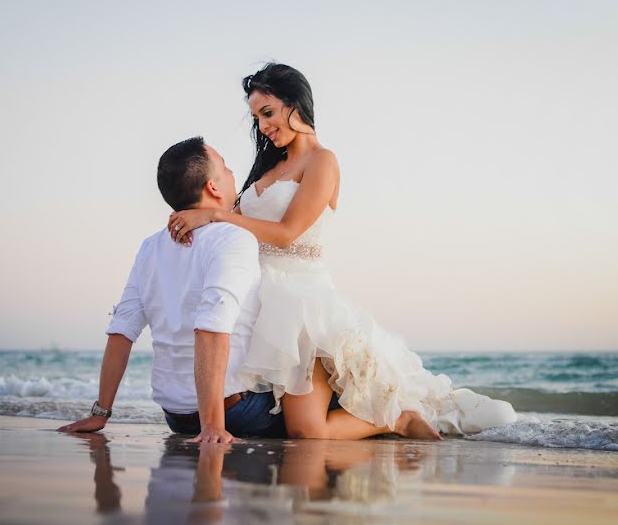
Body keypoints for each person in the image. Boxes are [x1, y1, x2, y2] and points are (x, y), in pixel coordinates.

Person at [167, 63, 518, 440]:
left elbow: (286, 234)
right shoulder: (268, 167)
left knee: (306, 431)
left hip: (300, 307)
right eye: (257, 118)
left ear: (295, 104)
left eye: (268, 113)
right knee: (278, 425)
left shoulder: (323, 161)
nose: (264, 126)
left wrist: (217, 215)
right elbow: (233, 228)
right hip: (258, 304)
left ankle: (398, 419)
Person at [58, 137, 286, 442]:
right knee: (329, 394)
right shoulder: (234, 238)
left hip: (176, 418)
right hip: (233, 413)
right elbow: (210, 327)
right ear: (213, 188)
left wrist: (100, 413)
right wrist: (213, 427)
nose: (234, 174)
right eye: (226, 168)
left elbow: (122, 328)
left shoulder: (150, 246)